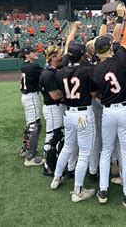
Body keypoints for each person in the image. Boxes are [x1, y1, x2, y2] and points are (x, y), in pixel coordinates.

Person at [93, 8, 126, 207]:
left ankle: (103, 191)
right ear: (110, 47)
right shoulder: (119, 58)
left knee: (106, 151)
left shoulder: (95, 68)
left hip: (108, 111)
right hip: (125, 109)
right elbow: (123, 37)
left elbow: (96, 94)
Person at [51, 41, 97, 203]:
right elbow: (93, 93)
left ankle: (56, 178)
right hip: (83, 113)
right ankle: (78, 190)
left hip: (69, 113)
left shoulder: (60, 72)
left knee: (68, 148)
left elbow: (59, 92)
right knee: (84, 153)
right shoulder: (87, 70)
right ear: (82, 53)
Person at [39, 45, 76, 177]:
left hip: (55, 107)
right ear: (53, 57)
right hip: (53, 108)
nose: (61, 56)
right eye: (59, 55)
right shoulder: (48, 73)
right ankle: (48, 166)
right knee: (52, 137)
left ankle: (51, 163)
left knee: (56, 136)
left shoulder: (51, 70)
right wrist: (68, 92)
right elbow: (54, 95)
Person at [19, 46, 45, 167]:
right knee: (35, 125)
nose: (36, 53)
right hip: (31, 97)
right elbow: (45, 73)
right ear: (27, 54)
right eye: (33, 52)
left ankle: (25, 150)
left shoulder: (25, 65)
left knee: (30, 124)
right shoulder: (33, 66)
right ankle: (31, 157)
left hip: (26, 97)